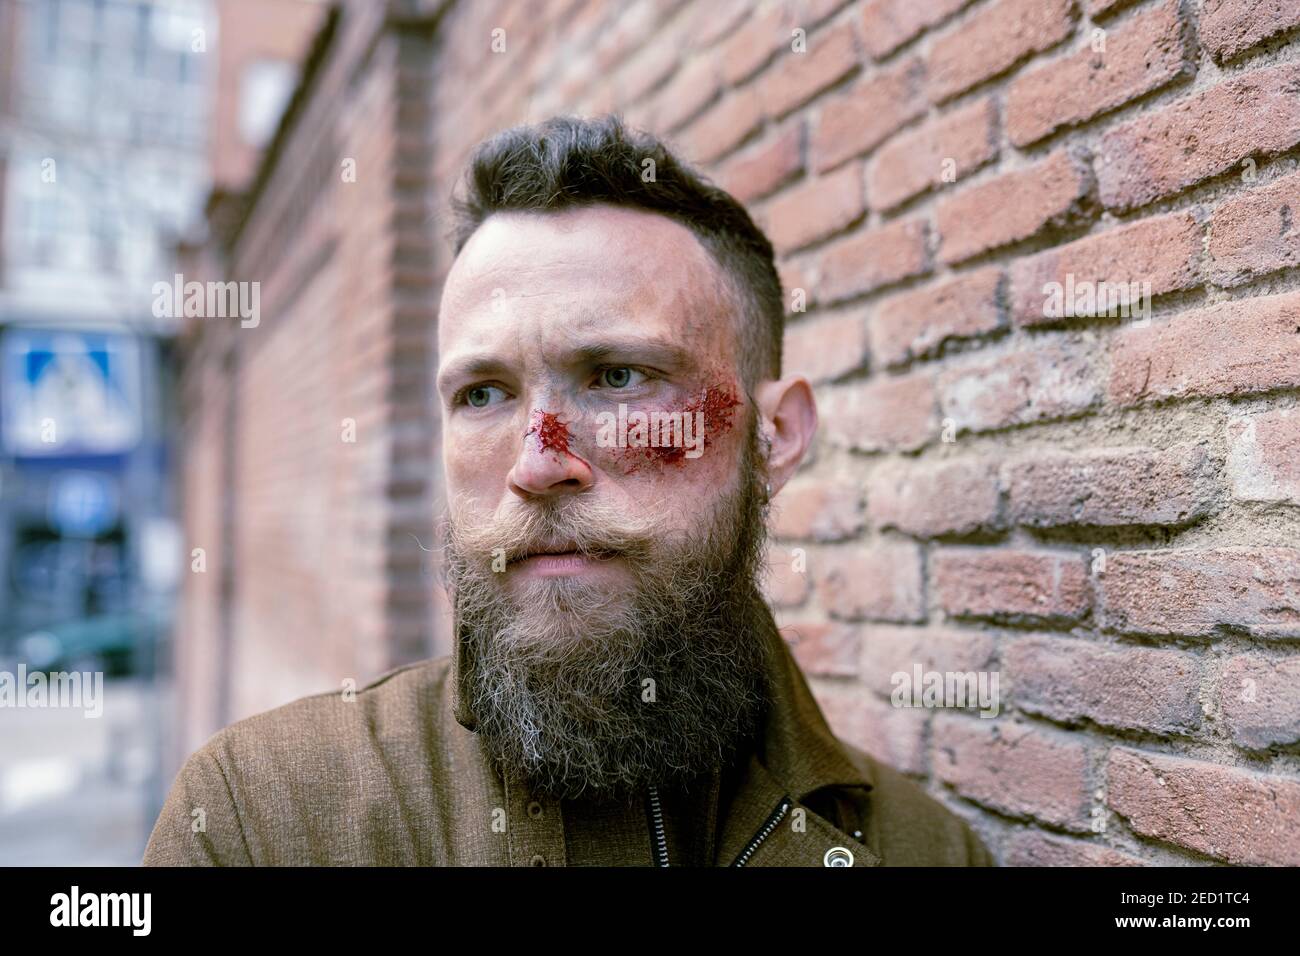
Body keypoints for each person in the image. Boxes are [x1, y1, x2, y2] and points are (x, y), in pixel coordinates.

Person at [143, 115, 995, 867]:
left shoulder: (922, 852)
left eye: (617, 376)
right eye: (483, 394)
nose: (538, 462)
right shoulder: (262, 819)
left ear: (775, 435)